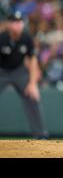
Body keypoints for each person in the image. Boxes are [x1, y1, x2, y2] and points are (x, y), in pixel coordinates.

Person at [0, 10, 48, 139]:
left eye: (19, 22)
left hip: (19, 71)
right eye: (14, 22)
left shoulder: (26, 38)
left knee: (32, 96)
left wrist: (32, 83)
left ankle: (41, 135)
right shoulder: (2, 38)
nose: (17, 25)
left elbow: (32, 59)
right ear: (9, 24)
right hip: (2, 71)